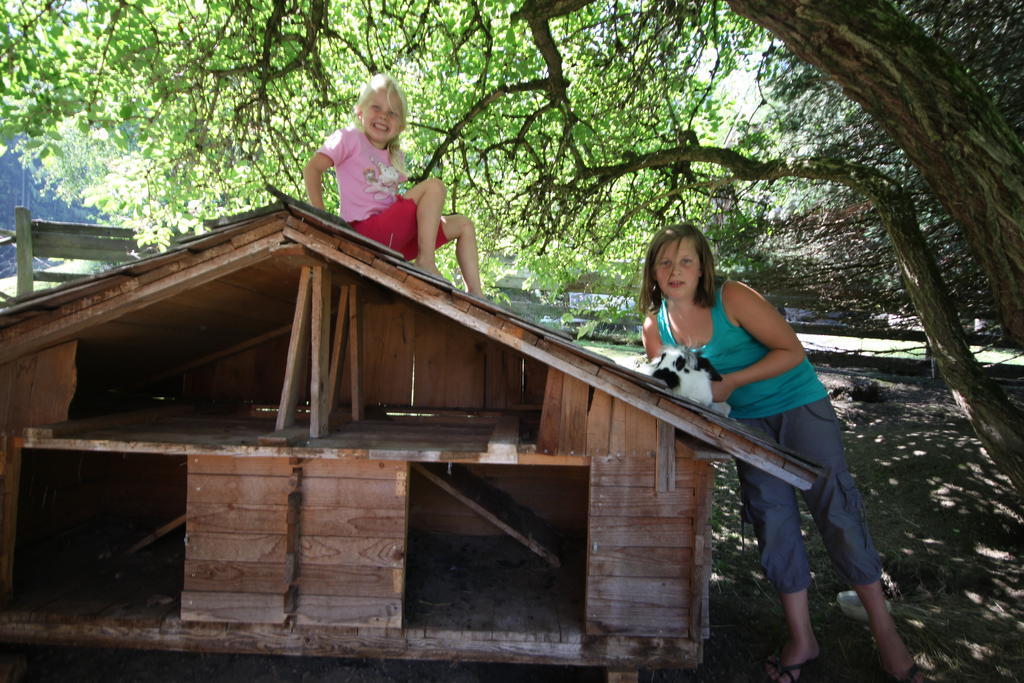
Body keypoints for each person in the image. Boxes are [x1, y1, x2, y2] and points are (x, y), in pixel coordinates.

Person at [638, 223, 924, 683]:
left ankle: (885, 632)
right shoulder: (655, 325)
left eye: (685, 260)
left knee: (836, 509)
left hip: (799, 407)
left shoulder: (732, 297)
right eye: (665, 261)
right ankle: (802, 638)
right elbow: (685, 389)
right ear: (653, 270)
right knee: (772, 519)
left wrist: (730, 381)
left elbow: (791, 351)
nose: (675, 270)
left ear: (702, 266)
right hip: (745, 425)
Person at [303, 73, 483, 297]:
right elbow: (312, 169)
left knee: (464, 225)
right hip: (364, 232)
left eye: (392, 113)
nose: (383, 116)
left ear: (400, 126)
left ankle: (477, 295)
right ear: (360, 111)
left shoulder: (395, 157)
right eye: (376, 108)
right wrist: (321, 218)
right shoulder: (349, 138)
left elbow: (399, 211)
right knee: (434, 187)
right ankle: (426, 262)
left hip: (391, 243)